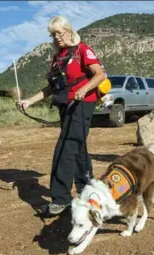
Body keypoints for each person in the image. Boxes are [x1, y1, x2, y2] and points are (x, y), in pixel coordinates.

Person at [18, 16, 106, 215]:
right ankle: (88, 190)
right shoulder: (58, 57)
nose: (57, 37)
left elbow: (99, 74)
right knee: (78, 147)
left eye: (60, 32)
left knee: (65, 148)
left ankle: (61, 199)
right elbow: (51, 87)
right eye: (53, 34)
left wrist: (84, 89)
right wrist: (29, 101)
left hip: (82, 104)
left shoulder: (83, 49)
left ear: (69, 30)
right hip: (66, 104)